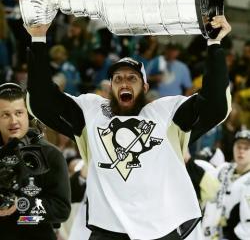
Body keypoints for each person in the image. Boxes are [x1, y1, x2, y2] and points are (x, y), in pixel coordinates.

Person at [25, 15, 231, 240]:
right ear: (110, 87)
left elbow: (214, 103)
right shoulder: (91, 112)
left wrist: (214, 46)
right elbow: (43, 100)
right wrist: (38, 39)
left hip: (161, 229)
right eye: (118, 79)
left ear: (145, 86)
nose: (124, 83)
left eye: (132, 79)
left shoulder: (165, 113)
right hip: (108, 230)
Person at [0, 83, 71, 240]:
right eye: (5, 115)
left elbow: (61, 210)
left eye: (19, 113)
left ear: (28, 115)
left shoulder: (50, 154)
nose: (13, 121)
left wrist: (20, 204)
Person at [202, 129, 250, 240]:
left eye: (246, 148)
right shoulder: (224, 169)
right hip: (211, 231)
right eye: (238, 146)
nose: (241, 151)